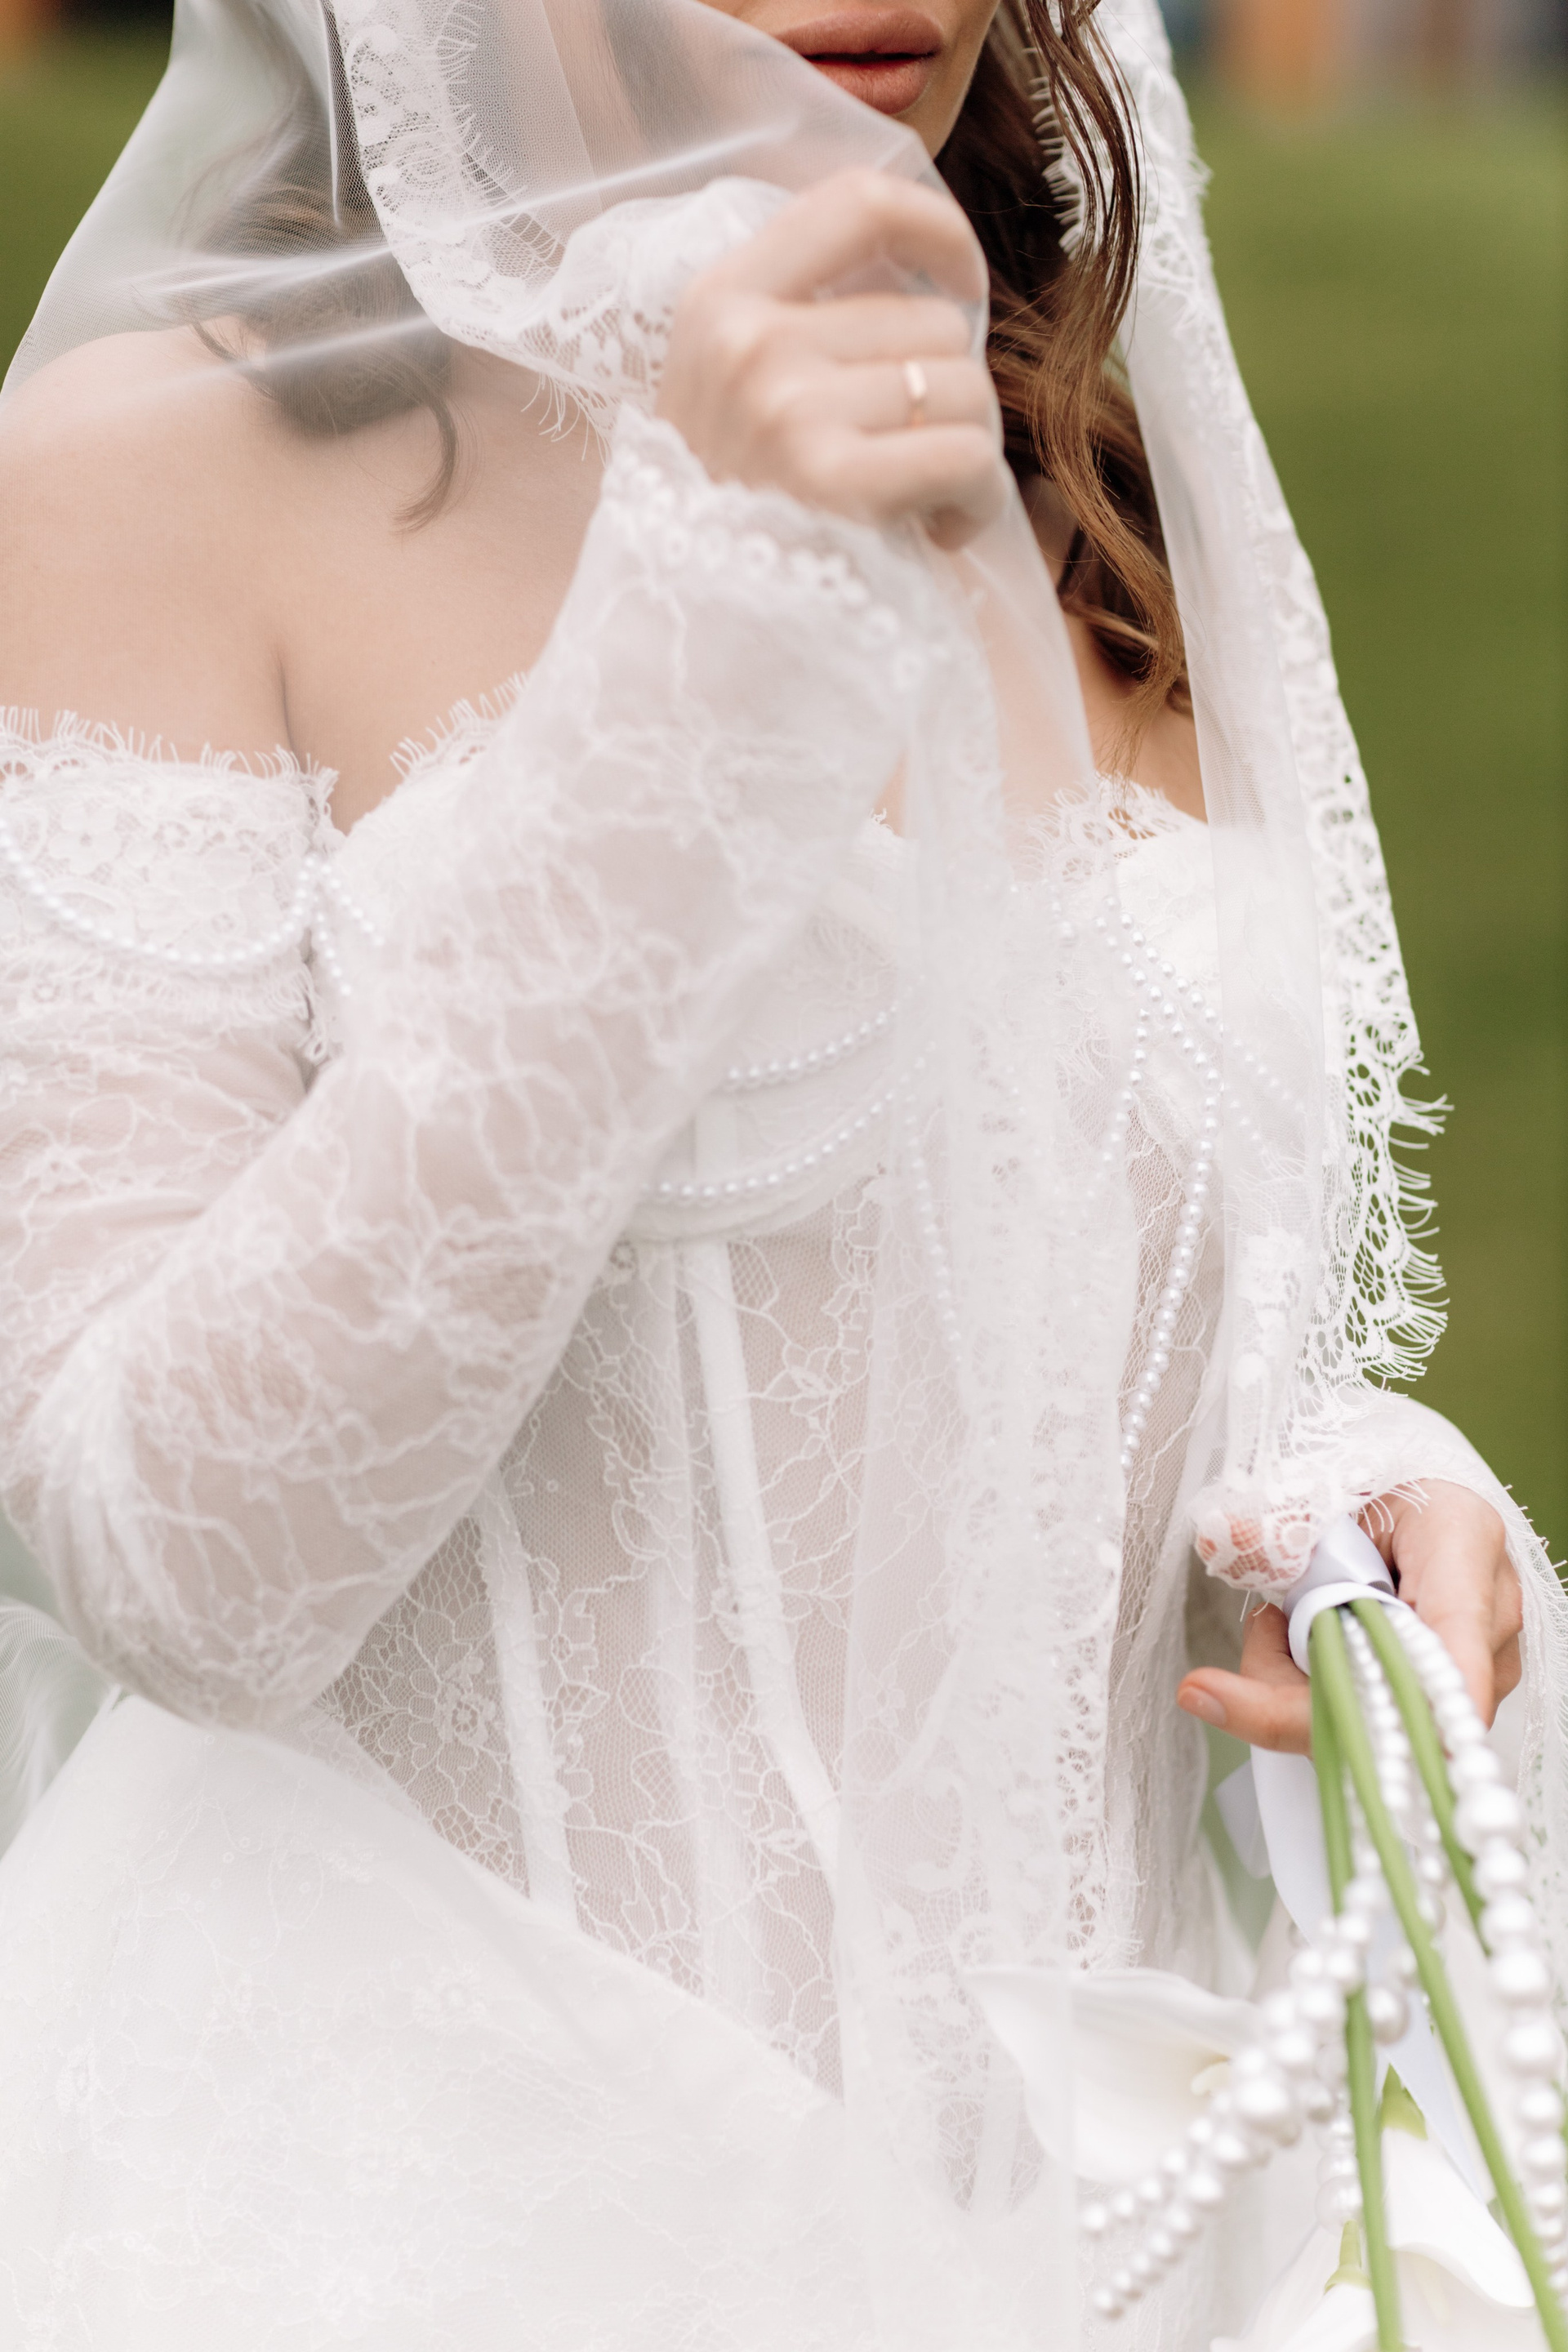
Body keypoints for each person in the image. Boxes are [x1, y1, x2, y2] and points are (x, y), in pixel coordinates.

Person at [0, 0, 1557, 2344]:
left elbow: (1022, 1255)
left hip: (1100, 2237)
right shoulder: (147, 475)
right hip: (419, 2222)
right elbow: (171, 1562)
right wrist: (700, 649)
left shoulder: (1068, 449)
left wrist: (1343, 1502)